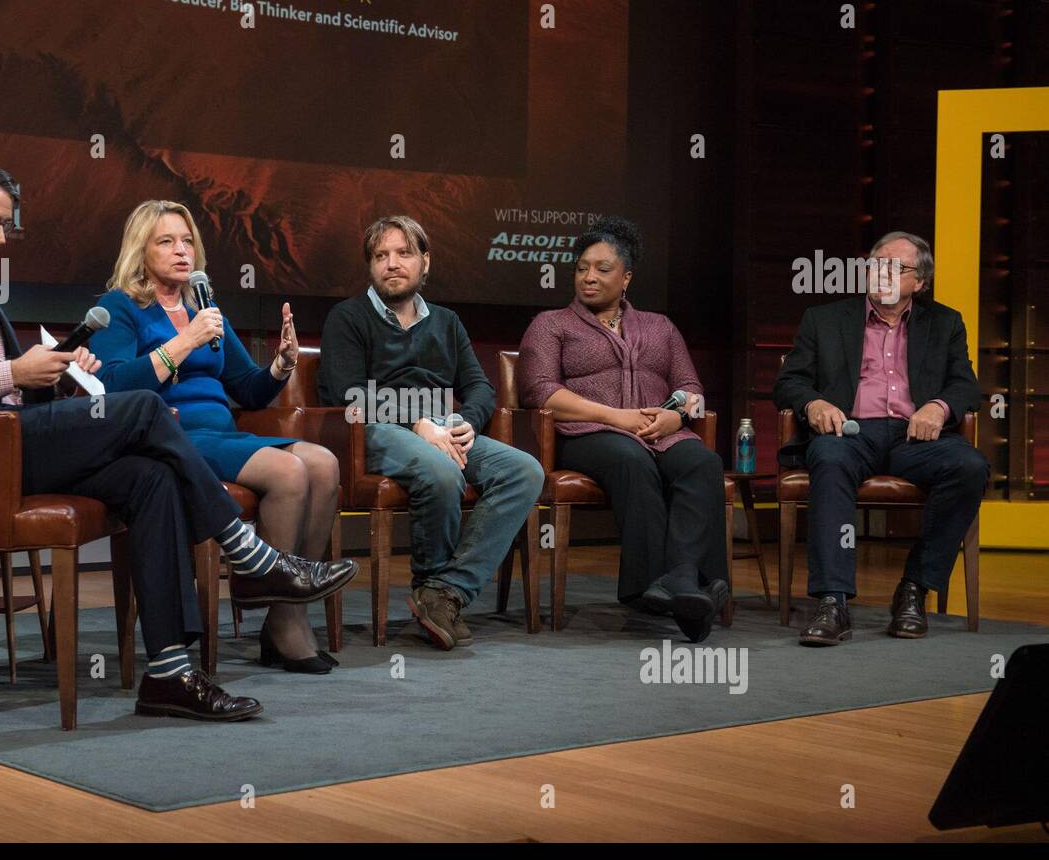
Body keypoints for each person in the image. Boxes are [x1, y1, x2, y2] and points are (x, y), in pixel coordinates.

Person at [0, 152, 356, 721]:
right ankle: (244, 549)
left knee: (153, 478)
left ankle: (169, 673)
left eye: (4, 224)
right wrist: (14, 373)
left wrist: (54, 374)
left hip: (13, 437)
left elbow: (10, 387)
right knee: (140, 405)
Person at [90, 200, 342, 674]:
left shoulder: (205, 310)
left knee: (325, 463)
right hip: (169, 433)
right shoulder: (120, 308)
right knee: (289, 470)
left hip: (221, 431)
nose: (181, 251)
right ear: (140, 251)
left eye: (187, 241)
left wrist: (281, 365)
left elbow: (247, 388)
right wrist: (183, 343)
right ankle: (262, 590)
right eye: (166, 241)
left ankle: (285, 616)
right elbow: (116, 388)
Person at [318, 215, 543, 650]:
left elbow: (478, 386)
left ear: (425, 262)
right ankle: (433, 583)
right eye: (380, 256)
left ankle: (444, 592)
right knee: (440, 470)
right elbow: (346, 394)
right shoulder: (347, 317)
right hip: (373, 427)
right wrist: (418, 422)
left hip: (443, 428)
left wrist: (467, 423)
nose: (392, 264)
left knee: (525, 471)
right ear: (370, 266)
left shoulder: (446, 321)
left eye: (403, 253)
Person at [517, 217, 728, 642]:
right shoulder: (551, 324)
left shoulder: (659, 327)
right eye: (581, 268)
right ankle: (652, 585)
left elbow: (691, 388)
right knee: (631, 460)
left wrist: (679, 414)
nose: (589, 277)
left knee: (703, 463)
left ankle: (682, 580)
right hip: (587, 435)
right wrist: (617, 418)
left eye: (602, 268)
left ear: (627, 276)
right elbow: (539, 393)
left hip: (660, 432)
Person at [773, 231, 987, 646]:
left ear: (919, 283)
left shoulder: (945, 322)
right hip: (849, 432)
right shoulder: (824, 318)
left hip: (916, 438)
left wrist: (938, 407)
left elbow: (965, 385)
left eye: (897, 268)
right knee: (829, 459)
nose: (883, 274)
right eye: (876, 264)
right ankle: (833, 601)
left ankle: (914, 589)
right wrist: (813, 403)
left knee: (970, 466)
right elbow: (790, 381)